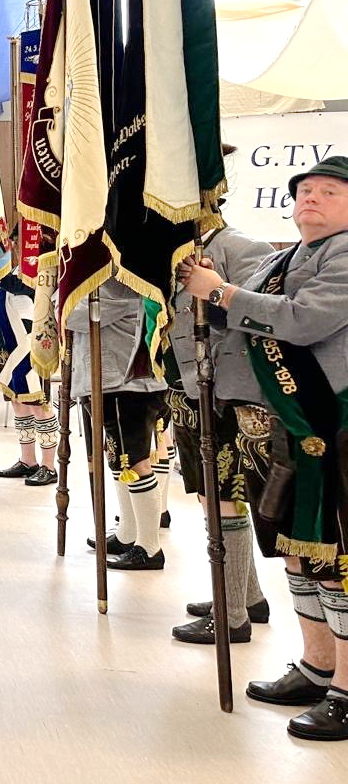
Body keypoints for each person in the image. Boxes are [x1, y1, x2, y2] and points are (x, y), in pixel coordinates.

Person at [183, 155, 348, 739]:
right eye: (304, 191)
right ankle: (318, 665)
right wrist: (211, 299)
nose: (311, 198)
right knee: (300, 552)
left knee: (338, 559)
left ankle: (347, 689)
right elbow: (242, 320)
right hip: (290, 429)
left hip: (335, 429)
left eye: (329, 191)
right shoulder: (283, 259)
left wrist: (224, 293)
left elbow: (303, 321)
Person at [165, 213, 274, 644]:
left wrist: (213, 292)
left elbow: (260, 318)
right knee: (209, 494)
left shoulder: (241, 247)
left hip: (228, 390)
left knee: (225, 497)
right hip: (190, 386)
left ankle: (230, 616)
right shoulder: (170, 252)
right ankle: (248, 597)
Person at [71, 279, 171, 571]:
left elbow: (76, 314)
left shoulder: (120, 280)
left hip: (125, 381)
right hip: (113, 379)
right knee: (119, 458)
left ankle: (149, 547)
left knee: (135, 462)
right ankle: (129, 532)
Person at [0, 272, 59, 486]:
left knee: (39, 403)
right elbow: (2, 302)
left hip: (30, 341)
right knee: (18, 402)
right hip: (10, 342)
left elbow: (28, 287)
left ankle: (49, 466)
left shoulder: (39, 261)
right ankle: (28, 460)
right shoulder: (11, 265)